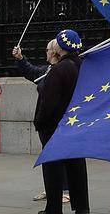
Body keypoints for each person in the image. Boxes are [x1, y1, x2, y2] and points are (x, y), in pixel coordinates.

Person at [31, 29, 90, 214]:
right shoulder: (82, 66)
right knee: (77, 165)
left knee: (52, 165)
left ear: (60, 47)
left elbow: (50, 102)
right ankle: (82, 207)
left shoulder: (59, 69)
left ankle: (54, 208)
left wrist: (40, 121)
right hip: (76, 122)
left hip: (56, 125)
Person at [14, 40, 70, 204]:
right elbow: (31, 72)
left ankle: (65, 190)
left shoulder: (62, 70)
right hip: (45, 122)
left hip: (57, 121)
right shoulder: (47, 70)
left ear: (54, 52)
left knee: (60, 156)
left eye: (47, 50)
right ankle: (53, 188)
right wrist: (20, 58)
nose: (45, 52)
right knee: (49, 157)